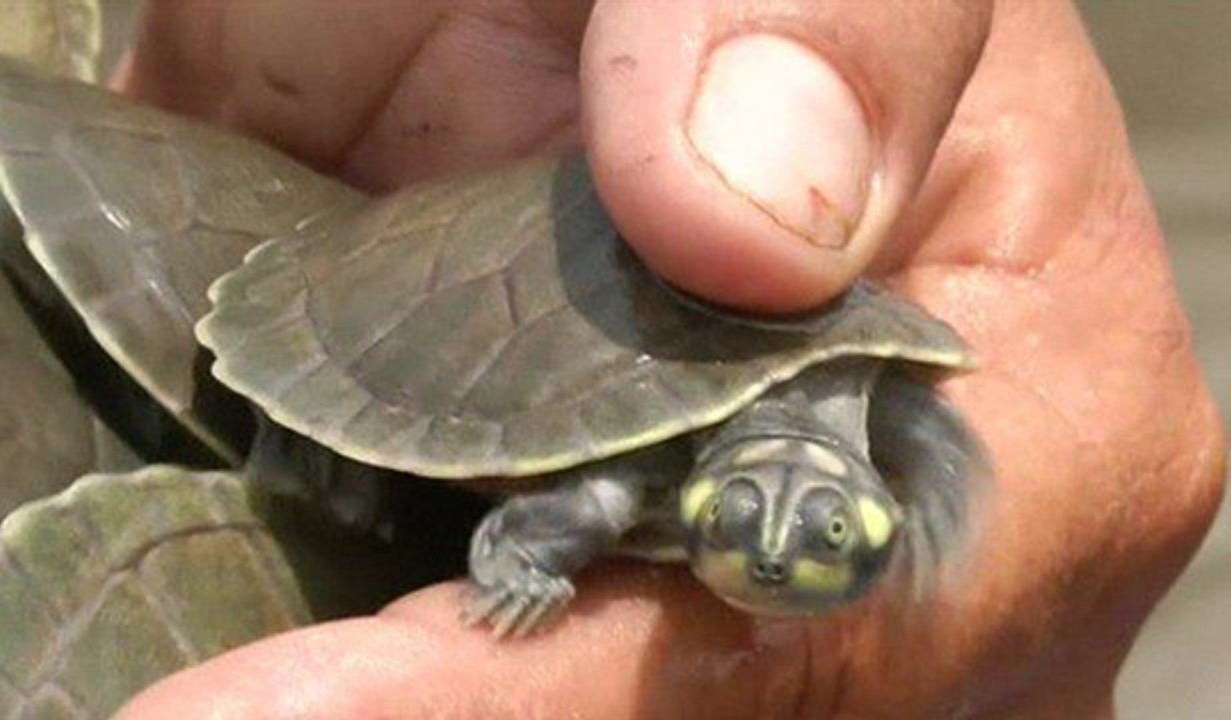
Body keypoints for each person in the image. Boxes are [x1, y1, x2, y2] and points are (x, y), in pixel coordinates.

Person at [114, 1, 1225, 717]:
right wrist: (527, 556)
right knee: (543, 489)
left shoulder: (883, 407)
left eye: (814, 536)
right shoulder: (629, 490)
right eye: (747, 521)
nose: (775, 557)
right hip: (413, 274)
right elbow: (565, 508)